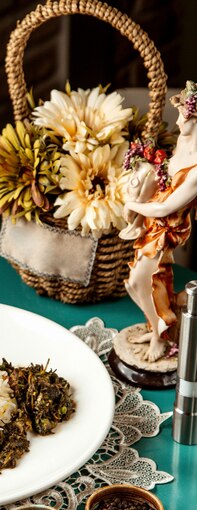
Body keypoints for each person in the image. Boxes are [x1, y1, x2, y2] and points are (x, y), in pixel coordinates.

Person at [123, 81, 197, 362]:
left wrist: (133, 204)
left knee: (147, 280)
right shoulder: (183, 143)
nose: (178, 120)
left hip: (168, 228)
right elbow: (164, 180)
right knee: (138, 282)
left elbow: (169, 206)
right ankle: (156, 326)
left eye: (184, 116)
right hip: (153, 222)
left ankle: (160, 336)